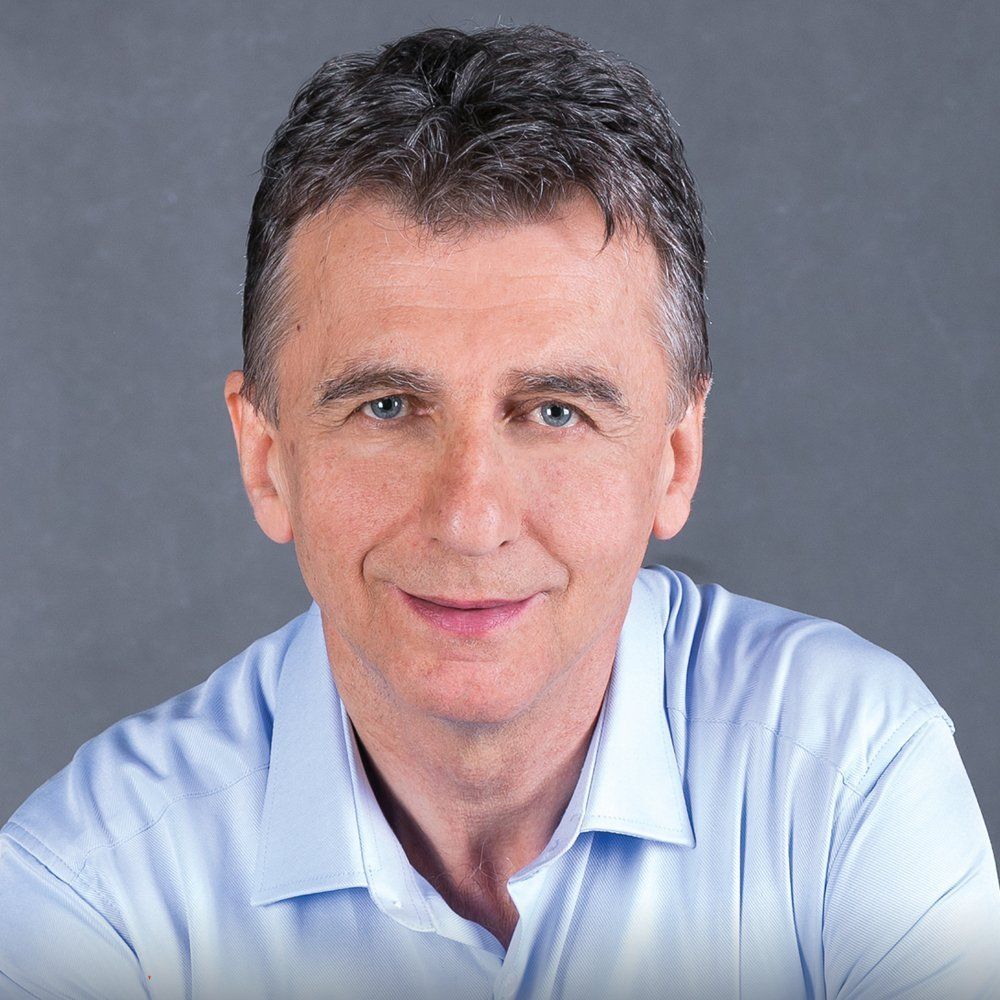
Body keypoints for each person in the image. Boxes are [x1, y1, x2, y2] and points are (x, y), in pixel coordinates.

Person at [1, 23, 997, 999]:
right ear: (266, 458)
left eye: (555, 411)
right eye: (387, 407)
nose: (471, 521)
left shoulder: (845, 778)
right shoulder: (91, 891)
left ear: (675, 457)